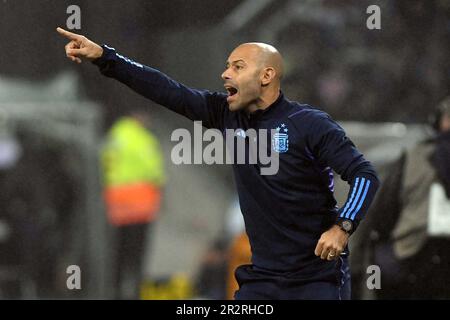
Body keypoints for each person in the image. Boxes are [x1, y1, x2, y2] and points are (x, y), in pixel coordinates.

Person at [56, 27, 379, 300]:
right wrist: (105, 57)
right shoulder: (225, 114)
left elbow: (364, 175)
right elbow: (166, 90)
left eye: (238, 67)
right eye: (227, 66)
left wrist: (343, 227)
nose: (226, 73)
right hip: (262, 280)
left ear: (267, 75)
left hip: (315, 279)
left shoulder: (309, 125)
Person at [369, 96, 450, 299]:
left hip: (410, 260)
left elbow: (382, 218)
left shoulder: (415, 158)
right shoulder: (415, 158)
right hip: (411, 261)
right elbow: (383, 215)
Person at [101, 111, 165, 299]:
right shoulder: (144, 139)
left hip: (118, 205)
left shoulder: (116, 134)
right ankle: (135, 292)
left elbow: (107, 165)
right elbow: (155, 171)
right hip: (140, 206)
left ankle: (114, 292)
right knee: (137, 256)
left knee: (118, 253)